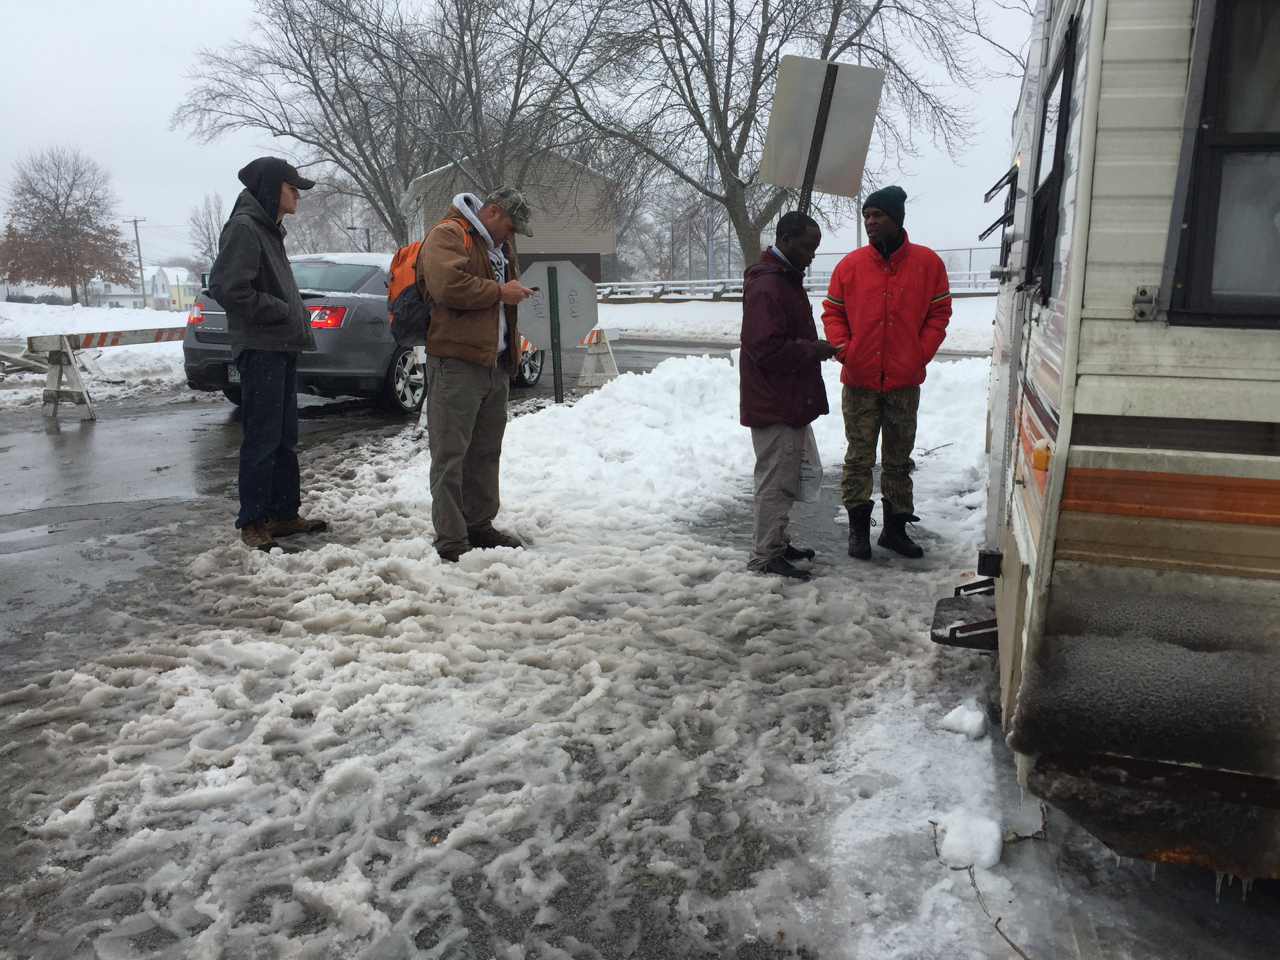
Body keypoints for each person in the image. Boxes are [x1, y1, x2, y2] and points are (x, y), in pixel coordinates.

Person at [822, 185, 951, 560]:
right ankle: (858, 533)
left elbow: (938, 314)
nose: (870, 222)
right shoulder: (850, 265)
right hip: (860, 380)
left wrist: (919, 354)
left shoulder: (928, 264)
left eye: (877, 215)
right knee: (858, 458)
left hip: (904, 382)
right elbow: (833, 312)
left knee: (898, 459)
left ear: (896, 219)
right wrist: (845, 349)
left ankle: (894, 530)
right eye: (866, 216)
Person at [209, 157, 328, 552]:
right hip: (261, 348)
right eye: (292, 186)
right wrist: (280, 309)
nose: (297, 194)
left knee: (284, 438)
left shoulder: (269, 229)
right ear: (271, 187)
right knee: (261, 439)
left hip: (280, 346)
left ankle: (282, 514)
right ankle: (253, 521)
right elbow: (227, 288)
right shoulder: (245, 227)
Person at [417, 187, 536, 562]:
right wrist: (500, 292)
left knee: (485, 452)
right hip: (455, 363)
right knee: (451, 455)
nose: (512, 236)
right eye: (511, 226)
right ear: (494, 212)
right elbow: (448, 286)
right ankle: (452, 540)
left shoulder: (498, 247)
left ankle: (479, 525)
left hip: (493, 364)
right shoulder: (449, 233)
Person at [739, 211, 840, 581]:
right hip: (775, 403)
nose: (812, 255)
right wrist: (813, 350)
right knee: (775, 481)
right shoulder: (769, 285)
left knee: (783, 478)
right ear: (785, 240)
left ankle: (776, 545)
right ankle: (766, 555)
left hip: (784, 400)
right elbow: (764, 347)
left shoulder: (783, 279)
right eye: (808, 247)